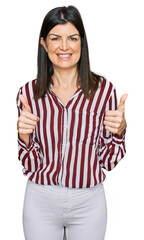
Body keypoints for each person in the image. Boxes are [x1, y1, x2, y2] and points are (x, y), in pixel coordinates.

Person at [16, 5, 127, 240]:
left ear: (82, 43)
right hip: (40, 200)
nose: (64, 47)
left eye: (72, 38)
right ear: (44, 44)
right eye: (55, 38)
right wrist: (24, 138)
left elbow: (108, 161)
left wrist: (120, 131)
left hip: (89, 202)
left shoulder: (104, 91)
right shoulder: (28, 93)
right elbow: (31, 164)